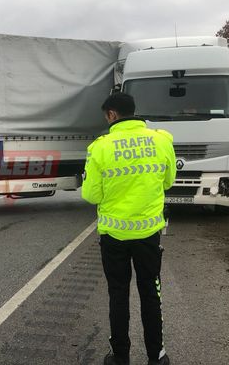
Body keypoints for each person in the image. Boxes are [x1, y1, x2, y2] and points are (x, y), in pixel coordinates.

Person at [81, 93, 176, 365]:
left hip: (114, 237)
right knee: (150, 293)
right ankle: (156, 356)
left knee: (118, 294)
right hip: (148, 235)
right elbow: (168, 181)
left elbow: (91, 195)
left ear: (111, 114)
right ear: (133, 111)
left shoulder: (100, 148)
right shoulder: (161, 140)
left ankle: (120, 357)